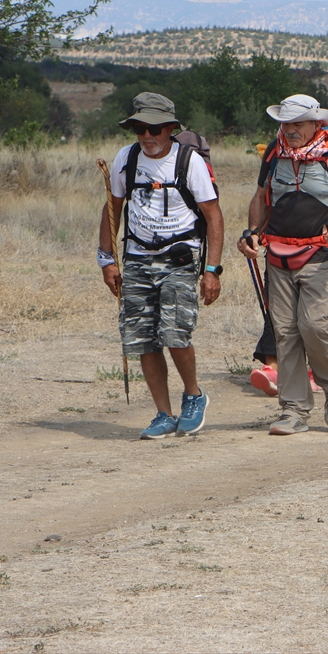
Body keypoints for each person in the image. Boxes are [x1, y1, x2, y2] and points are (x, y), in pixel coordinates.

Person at [98, 92, 223, 440]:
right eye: (140, 128)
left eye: (154, 128)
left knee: (175, 333)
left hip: (180, 259)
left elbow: (213, 216)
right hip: (137, 260)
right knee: (142, 339)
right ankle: (163, 414)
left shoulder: (189, 161)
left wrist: (212, 270)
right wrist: (106, 260)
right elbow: (113, 209)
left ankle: (194, 395)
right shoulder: (127, 158)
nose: (147, 136)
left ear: (170, 128)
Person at [236, 94, 328, 436]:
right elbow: (261, 197)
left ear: (315, 124)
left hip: (319, 253)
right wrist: (252, 232)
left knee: (316, 325)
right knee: (285, 332)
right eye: (285, 123)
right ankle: (293, 409)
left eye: (297, 124)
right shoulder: (274, 154)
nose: (290, 130)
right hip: (277, 254)